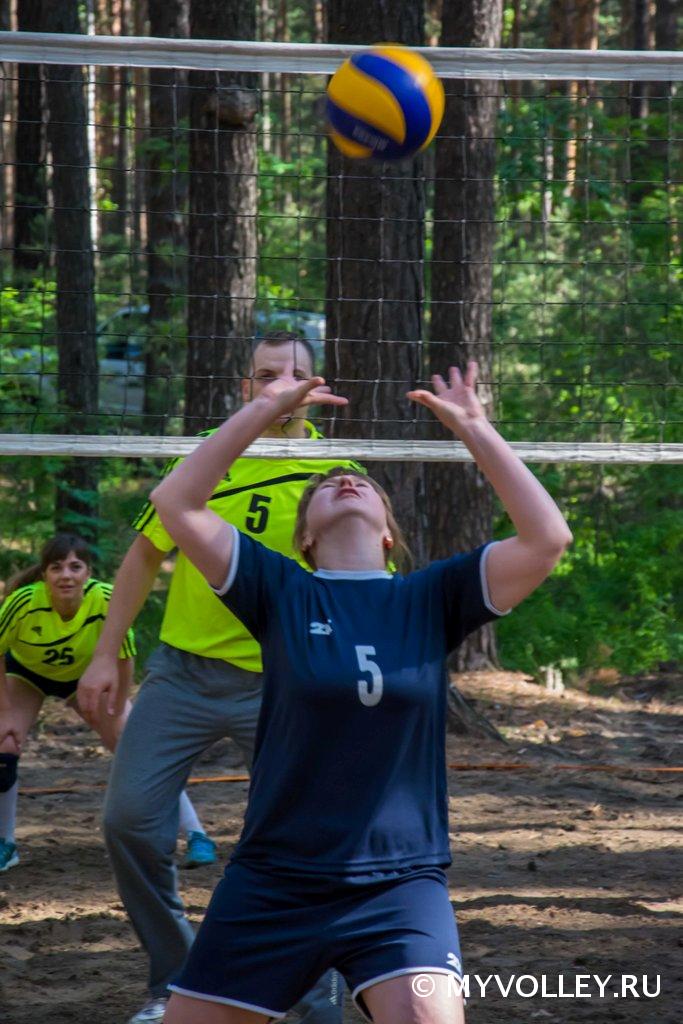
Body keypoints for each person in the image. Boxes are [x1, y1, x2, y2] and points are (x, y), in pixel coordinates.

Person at [149, 361, 573, 1024]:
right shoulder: (281, 590)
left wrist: (475, 429)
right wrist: (264, 411)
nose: (345, 481)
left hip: (399, 885)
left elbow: (548, 539)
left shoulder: (430, 597)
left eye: (363, 484)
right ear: (306, 537)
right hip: (276, 879)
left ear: (387, 532)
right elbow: (176, 502)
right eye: (326, 486)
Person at [77, 333, 361, 1024]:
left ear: (316, 387)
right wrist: (106, 654)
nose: (280, 386)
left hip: (284, 682)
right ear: (245, 387)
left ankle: (310, 988)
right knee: (128, 821)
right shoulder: (206, 457)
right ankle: (174, 981)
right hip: (183, 672)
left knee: (305, 834)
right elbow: (143, 558)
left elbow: (358, 585)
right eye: (265, 375)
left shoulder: (338, 473)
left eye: (294, 374)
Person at [0, 533, 211, 873]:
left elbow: (125, 658)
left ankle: (197, 834)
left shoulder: (105, 599)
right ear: (44, 574)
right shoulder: (23, 602)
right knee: (4, 743)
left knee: (135, 743)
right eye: (56, 567)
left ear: (88, 572)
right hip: (28, 674)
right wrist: (5, 711)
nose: (66, 575)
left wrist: (118, 705)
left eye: (75, 567)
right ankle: (5, 843)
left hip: (86, 677)